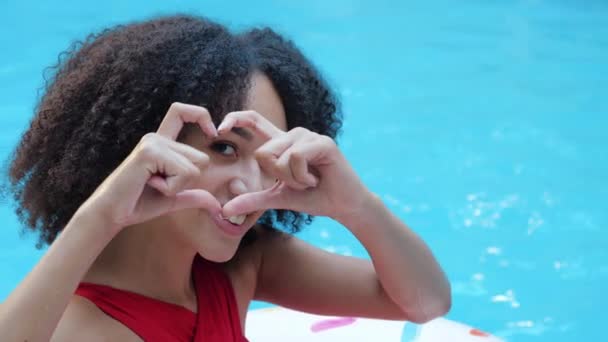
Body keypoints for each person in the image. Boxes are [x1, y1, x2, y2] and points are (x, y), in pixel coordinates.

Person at [0, 14, 451, 341]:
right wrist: (100, 214)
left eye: (268, 156)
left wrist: (356, 206)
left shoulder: (240, 265)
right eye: (224, 148)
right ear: (146, 148)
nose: (250, 186)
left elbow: (426, 303)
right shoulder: (81, 325)